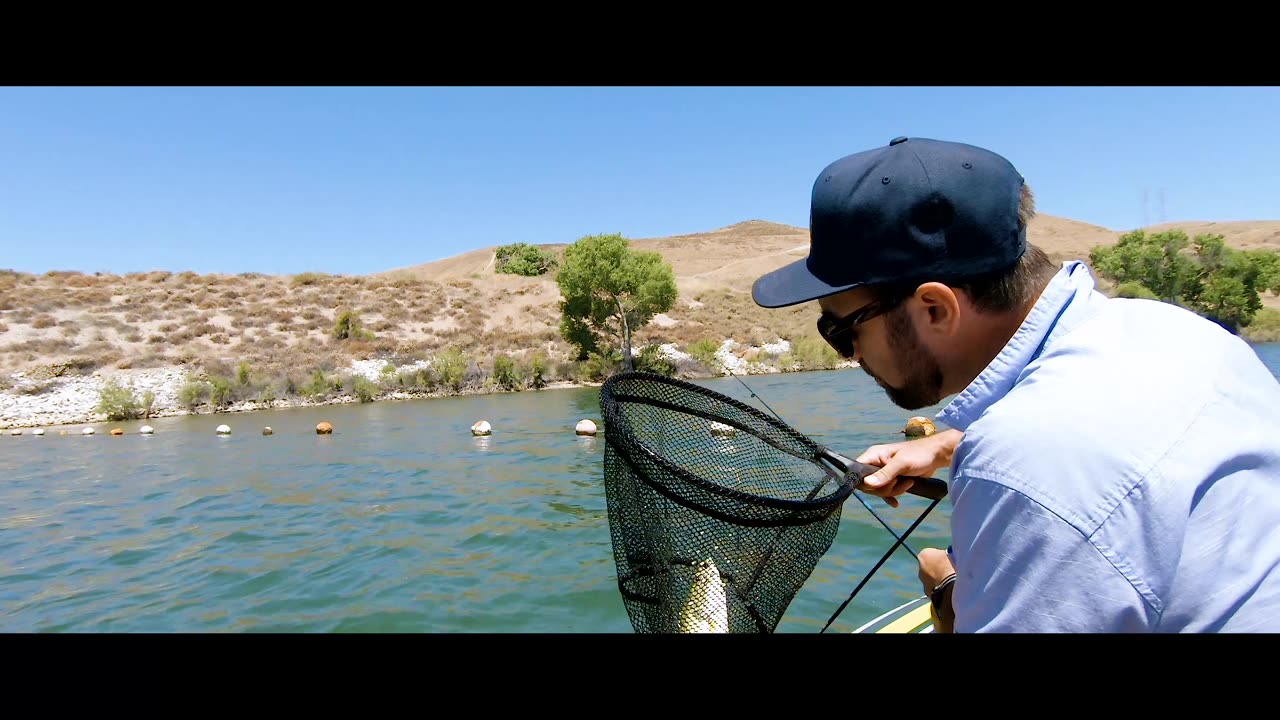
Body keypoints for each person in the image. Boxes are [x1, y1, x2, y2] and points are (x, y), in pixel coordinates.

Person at [750, 135, 1280, 633]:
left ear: (934, 308)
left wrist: (947, 589)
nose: (851, 353)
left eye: (841, 329)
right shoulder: (1169, 329)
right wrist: (944, 446)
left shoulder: (1030, 459)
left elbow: (1054, 465)